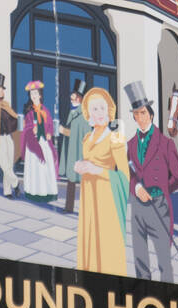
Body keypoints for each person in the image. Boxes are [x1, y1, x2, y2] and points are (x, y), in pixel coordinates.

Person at [125, 81, 178, 283]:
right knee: (140, 260)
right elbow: (130, 173)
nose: (139, 118)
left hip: (159, 206)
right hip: (137, 207)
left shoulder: (165, 144)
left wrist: (159, 189)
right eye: (136, 114)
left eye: (143, 113)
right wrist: (137, 187)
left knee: (164, 262)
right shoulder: (131, 144)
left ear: (150, 114)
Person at [75, 87, 129, 276]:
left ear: (109, 110)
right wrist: (80, 165)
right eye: (95, 109)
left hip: (106, 201)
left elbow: (124, 177)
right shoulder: (87, 138)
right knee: (90, 242)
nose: (99, 113)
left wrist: (97, 170)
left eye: (102, 108)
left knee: (105, 245)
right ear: (88, 113)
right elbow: (88, 161)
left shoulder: (115, 139)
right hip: (88, 197)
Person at [21, 81, 59, 203]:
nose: (33, 96)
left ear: (40, 95)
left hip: (44, 142)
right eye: (31, 94)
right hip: (34, 144)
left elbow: (49, 125)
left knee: (45, 167)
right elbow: (26, 128)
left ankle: (47, 193)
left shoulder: (46, 111)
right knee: (35, 168)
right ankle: (34, 193)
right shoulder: (29, 113)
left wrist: (48, 133)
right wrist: (32, 129)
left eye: (35, 93)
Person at [57, 79, 86, 213]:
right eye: (72, 95)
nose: (71, 97)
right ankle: (68, 208)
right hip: (72, 151)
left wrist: (64, 131)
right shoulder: (73, 111)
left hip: (79, 153)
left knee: (81, 182)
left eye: (74, 95)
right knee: (71, 180)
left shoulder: (83, 114)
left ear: (79, 98)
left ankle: (85, 209)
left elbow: (80, 133)